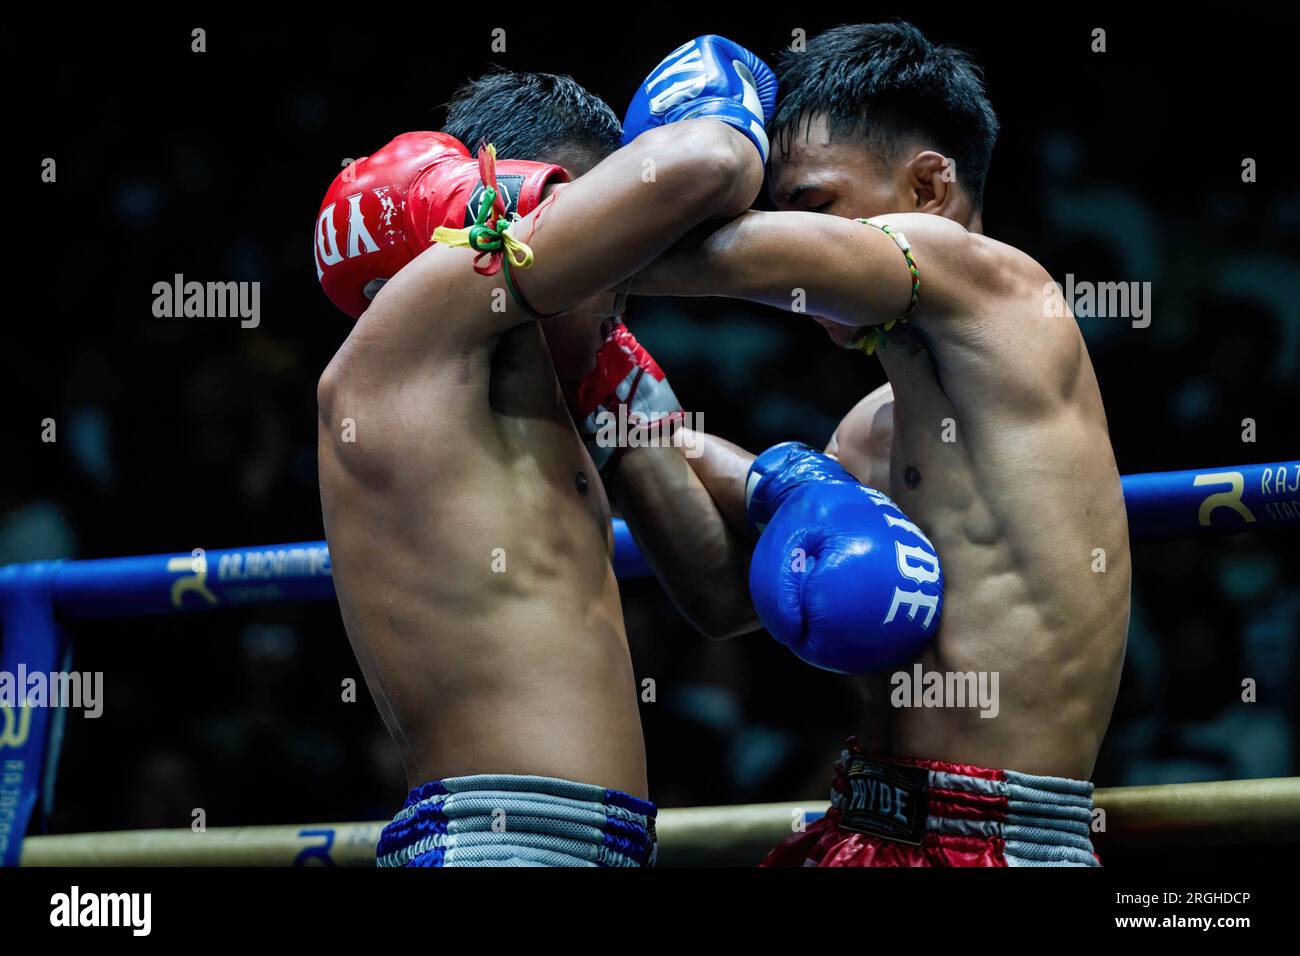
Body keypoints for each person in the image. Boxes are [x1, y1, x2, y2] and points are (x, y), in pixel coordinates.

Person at [622, 22, 1129, 866]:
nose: (791, 236)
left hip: (997, 844)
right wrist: (619, 405)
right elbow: (729, 604)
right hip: (861, 826)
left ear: (930, 187)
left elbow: (737, 263)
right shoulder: (866, 430)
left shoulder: (1003, 287)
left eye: (812, 206)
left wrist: (549, 225)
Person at [313, 43, 774, 866]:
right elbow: (707, 163)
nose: (616, 271)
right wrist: (730, 112)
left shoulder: (566, 390)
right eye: (602, 239)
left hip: (597, 844)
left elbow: (719, 592)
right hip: (498, 841)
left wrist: (795, 483)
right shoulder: (406, 341)